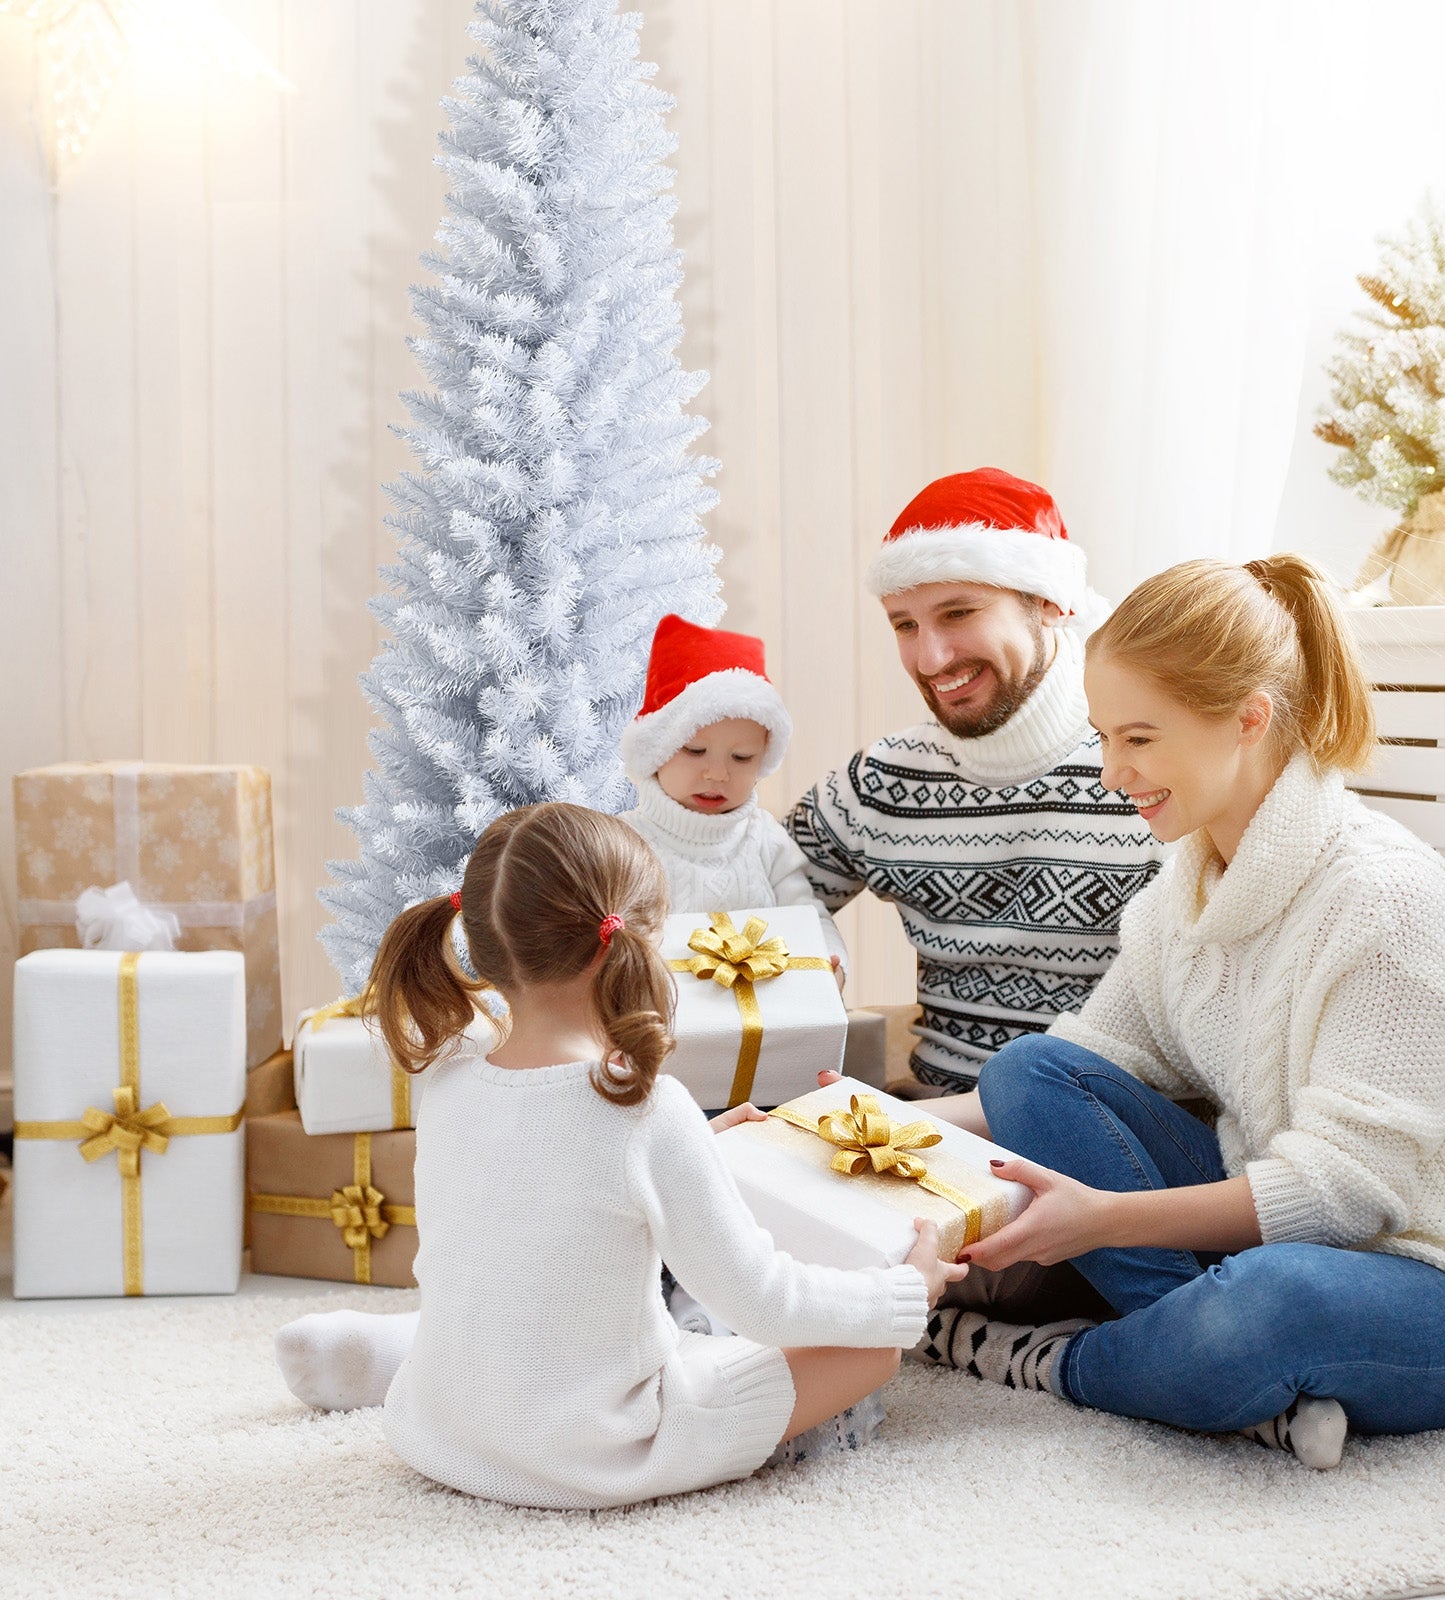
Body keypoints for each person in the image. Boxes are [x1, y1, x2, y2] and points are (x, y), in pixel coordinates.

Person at [907, 554, 1445, 1469]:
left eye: (1139, 739)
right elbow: (1091, 1061)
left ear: (1248, 719)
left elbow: (1346, 1196)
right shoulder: (1183, 887)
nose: (1114, 774)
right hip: (1275, 1226)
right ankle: (1212, 1370)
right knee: (1025, 1070)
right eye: (1105, 737)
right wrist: (861, 1123)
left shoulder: (1383, 901)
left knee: (1267, 1303)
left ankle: (1042, 1357)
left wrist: (1104, 1220)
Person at [273, 802, 963, 1510]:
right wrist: (907, 1291)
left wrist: (699, 1155)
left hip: (438, 1428)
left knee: (523, 1290)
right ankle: (421, 1358)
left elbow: (536, 1193)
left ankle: (410, 1357)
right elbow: (762, 1300)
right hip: (597, 1453)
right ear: (631, 941)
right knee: (870, 1352)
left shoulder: (448, 1080)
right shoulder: (642, 1108)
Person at [787, 467, 1163, 1092]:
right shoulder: (883, 780)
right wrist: (820, 956)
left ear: (1049, 602)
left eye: (958, 613)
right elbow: (761, 886)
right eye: (904, 625)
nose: (930, 660)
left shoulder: (1150, 767)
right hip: (931, 1140)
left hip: (1102, 1141)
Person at [617, 611, 847, 983]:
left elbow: (808, 914)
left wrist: (827, 965)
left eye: (741, 758)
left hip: (764, 1019)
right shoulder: (626, 842)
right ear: (656, 749)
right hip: (661, 1024)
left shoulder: (765, 837)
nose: (718, 773)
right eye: (694, 751)